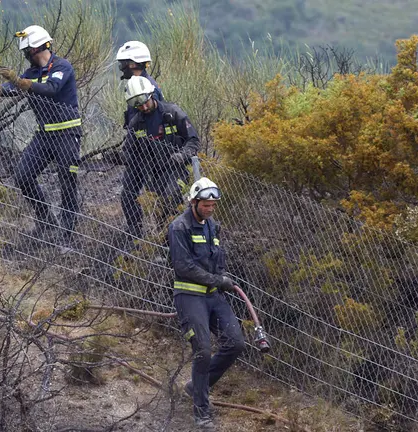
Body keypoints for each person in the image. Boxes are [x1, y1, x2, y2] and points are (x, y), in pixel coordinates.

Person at [0, 25, 81, 246]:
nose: (25, 56)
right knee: (23, 175)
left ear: (39, 48)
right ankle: (46, 222)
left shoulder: (62, 67)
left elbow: (52, 88)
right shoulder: (30, 74)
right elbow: (12, 88)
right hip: (44, 137)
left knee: (67, 182)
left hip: (67, 135)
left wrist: (24, 83)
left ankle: (67, 235)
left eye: (27, 51)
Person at [167, 177, 246, 430]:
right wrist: (217, 279)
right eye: (206, 205)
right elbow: (183, 266)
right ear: (194, 201)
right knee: (202, 351)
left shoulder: (213, 226)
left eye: (213, 205)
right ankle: (201, 412)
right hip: (189, 296)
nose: (210, 209)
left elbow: (217, 258)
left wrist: (220, 279)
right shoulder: (179, 227)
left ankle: (195, 387)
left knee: (235, 343)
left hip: (213, 296)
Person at [120, 75, 199, 239]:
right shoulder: (136, 123)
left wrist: (181, 155)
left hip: (175, 170)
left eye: (143, 100)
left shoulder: (172, 113)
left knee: (169, 200)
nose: (142, 106)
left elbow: (193, 140)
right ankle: (140, 238)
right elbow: (129, 151)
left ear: (151, 94)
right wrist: (118, 157)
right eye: (136, 103)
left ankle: (171, 241)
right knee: (133, 197)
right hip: (151, 173)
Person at [115, 41, 164, 127]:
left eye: (123, 64)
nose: (121, 68)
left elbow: (154, 122)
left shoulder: (149, 88)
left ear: (133, 64)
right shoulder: (137, 86)